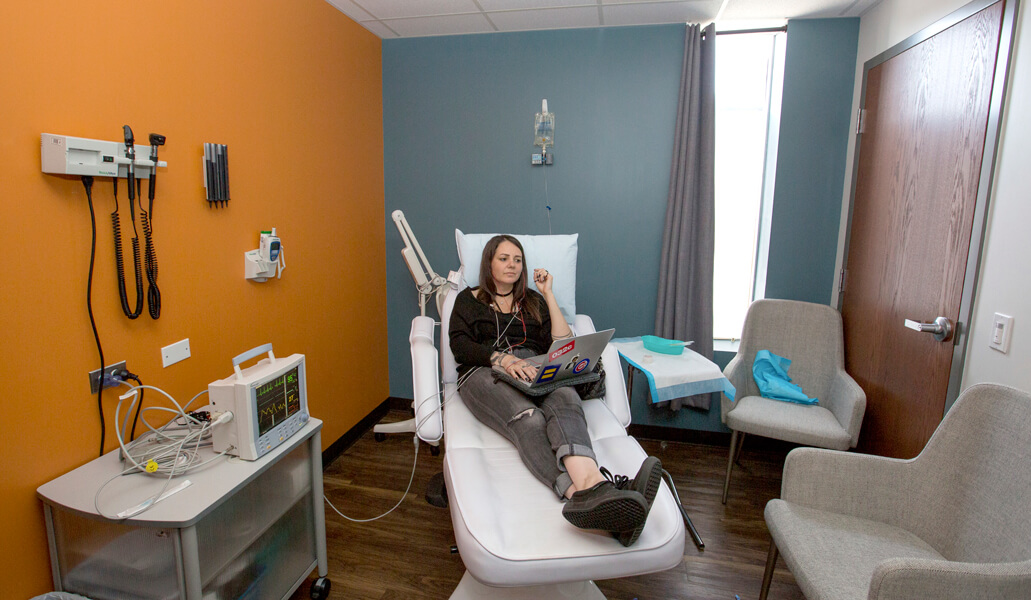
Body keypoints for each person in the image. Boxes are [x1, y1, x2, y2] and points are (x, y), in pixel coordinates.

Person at [449, 234, 663, 546]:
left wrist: (548, 293)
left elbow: (562, 343)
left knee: (566, 399)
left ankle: (595, 487)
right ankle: (588, 499)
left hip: (537, 367)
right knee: (529, 418)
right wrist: (502, 358)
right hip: (484, 371)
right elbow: (459, 345)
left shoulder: (533, 300)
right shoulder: (469, 299)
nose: (512, 265)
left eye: (518, 260)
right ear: (489, 263)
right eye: (504, 258)